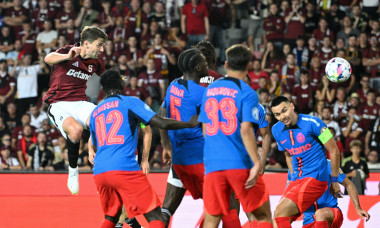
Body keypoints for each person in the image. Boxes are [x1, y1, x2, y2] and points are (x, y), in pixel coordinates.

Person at [88, 69, 199, 228]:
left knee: (110, 217)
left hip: (100, 171)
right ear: (120, 83)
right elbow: (161, 122)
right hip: (123, 168)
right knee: (156, 216)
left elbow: (96, 142)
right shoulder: (130, 102)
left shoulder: (95, 111)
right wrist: (189, 123)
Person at [198, 44, 273, 227]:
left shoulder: (210, 90)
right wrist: (256, 163)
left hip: (213, 165)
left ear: (226, 64)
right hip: (239, 164)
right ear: (248, 66)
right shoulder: (247, 92)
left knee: (211, 219)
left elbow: (205, 130)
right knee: (262, 216)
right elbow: (246, 130)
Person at [43, 26, 108, 194]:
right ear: (86, 43)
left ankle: (101, 169)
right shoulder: (68, 51)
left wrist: (118, 81)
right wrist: (66, 56)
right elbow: (48, 58)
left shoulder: (96, 63)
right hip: (58, 104)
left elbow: (107, 78)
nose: (102, 49)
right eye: (99, 45)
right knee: (76, 130)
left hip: (80, 103)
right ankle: (73, 170)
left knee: (103, 120)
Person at [270, 96, 341, 228]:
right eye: (277, 114)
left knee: (280, 213)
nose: (282, 117)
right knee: (276, 218)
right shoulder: (276, 129)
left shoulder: (314, 123)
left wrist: (335, 181)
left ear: (292, 106)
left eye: (284, 110)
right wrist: (293, 178)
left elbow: (334, 150)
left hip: (315, 178)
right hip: (297, 179)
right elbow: (287, 155)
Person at [302, 160, 370, 228]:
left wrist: (358, 208)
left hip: (331, 213)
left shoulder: (327, 164)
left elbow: (349, 184)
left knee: (320, 213)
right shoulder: (297, 169)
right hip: (308, 221)